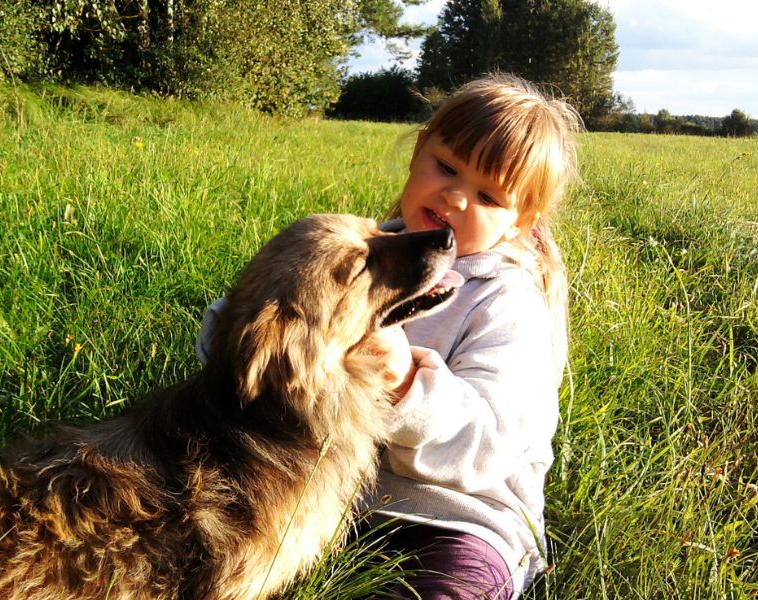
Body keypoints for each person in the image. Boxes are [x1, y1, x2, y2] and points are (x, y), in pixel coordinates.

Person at [197, 73, 580, 599]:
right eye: (447, 167)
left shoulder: (508, 304)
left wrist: (405, 383)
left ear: (521, 222)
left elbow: (492, 444)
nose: (457, 197)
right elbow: (256, 327)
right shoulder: (373, 250)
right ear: (418, 150)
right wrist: (245, 341)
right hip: (330, 503)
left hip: (455, 522)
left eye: (488, 195)